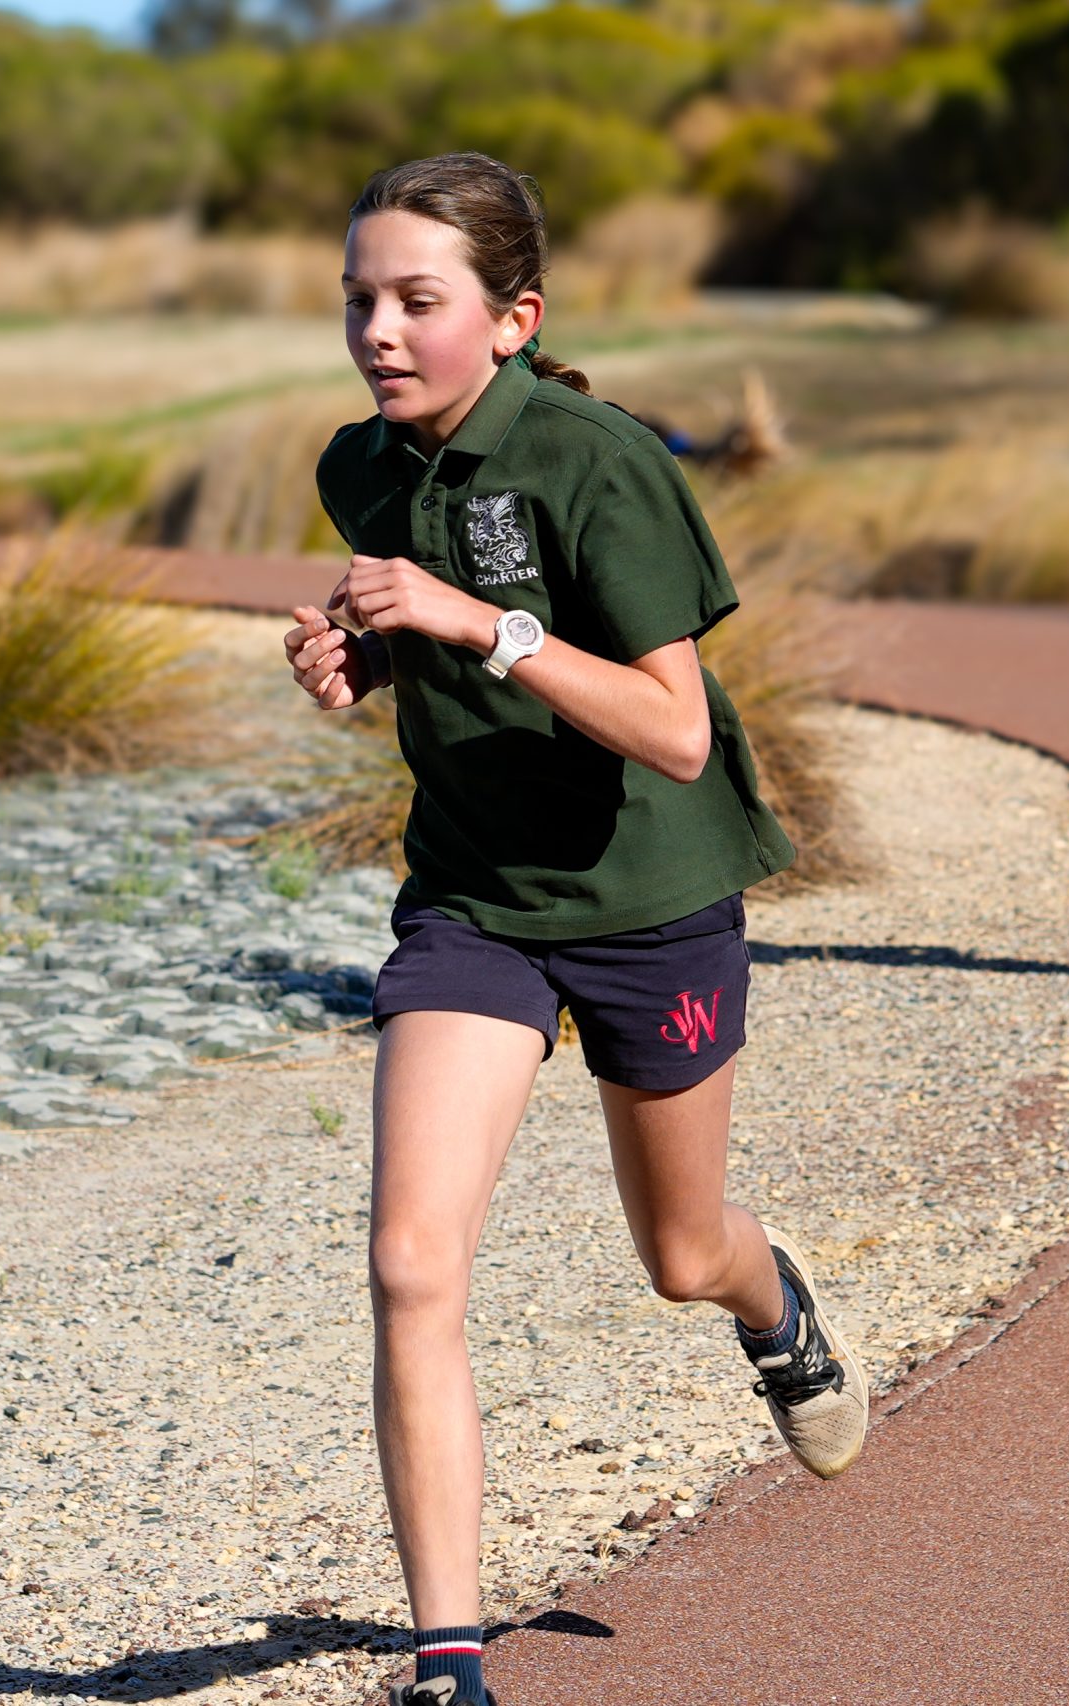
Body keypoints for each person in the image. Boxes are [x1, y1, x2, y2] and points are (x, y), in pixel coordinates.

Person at [280, 153, 867, 1706]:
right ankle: (448, 1664)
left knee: (680, 1252)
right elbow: (423, 643)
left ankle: (775, 1302)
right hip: (476, 903)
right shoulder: (365, 470)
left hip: (648, 901)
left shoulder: (604, 463)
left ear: (514, 316)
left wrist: (481, 624)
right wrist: (357, 661)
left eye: (418, 301)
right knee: (411, 1264)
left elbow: (674, 730)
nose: (379, 333)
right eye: (360, 300)